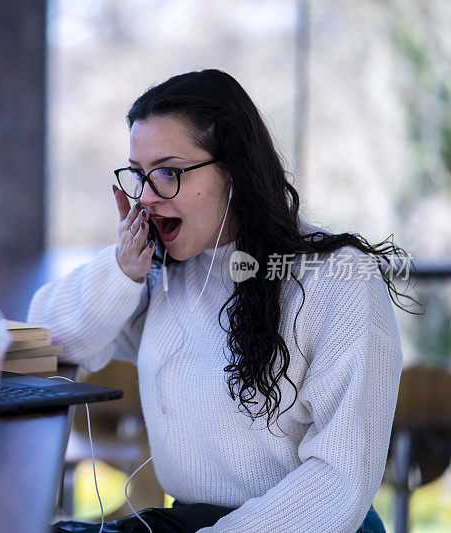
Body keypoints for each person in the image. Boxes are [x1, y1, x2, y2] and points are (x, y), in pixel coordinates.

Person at [29, 69, 421, 532]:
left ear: (233, 168)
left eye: (168, 173)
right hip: (190, 522)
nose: (148, 198)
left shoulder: (339, 281)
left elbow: (340, 480)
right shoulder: (165, 272)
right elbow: (49, 337)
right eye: (139, 175)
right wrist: (121, 269)